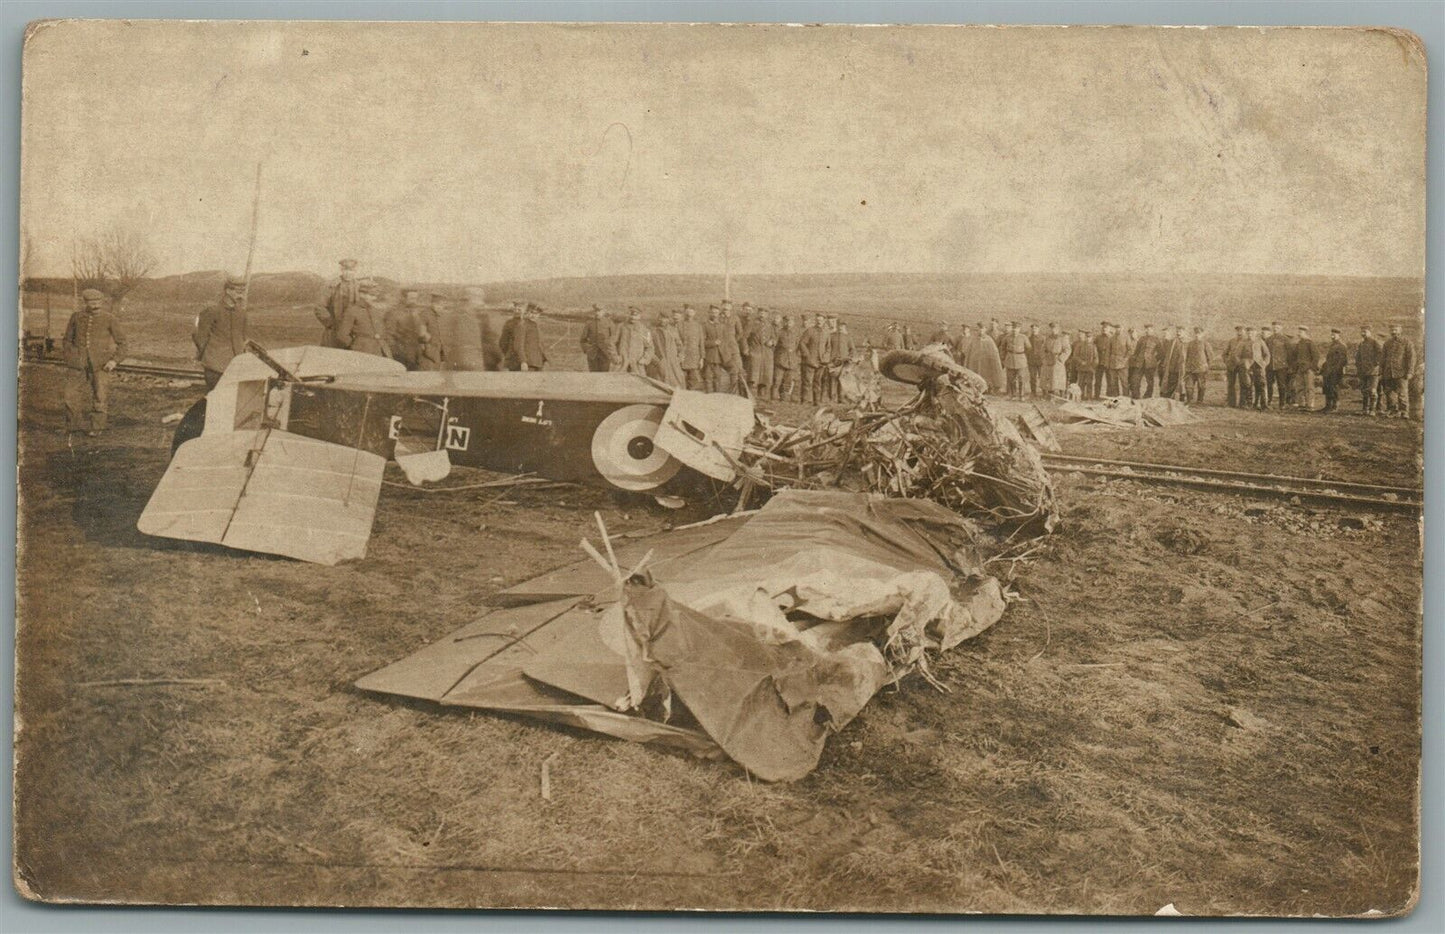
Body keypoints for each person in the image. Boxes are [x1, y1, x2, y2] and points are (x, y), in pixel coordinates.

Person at [61, 288, 128, 434]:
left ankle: (97, 428)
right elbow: (67, 340)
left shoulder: (109, 318)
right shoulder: (76, 317)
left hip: (101, 365)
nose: (95, 304)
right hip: (77, 364)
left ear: (102, 302)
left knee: (100, 395)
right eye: (91, 302)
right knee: (70, 395)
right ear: (85, 302)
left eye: (98, 301)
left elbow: (123, 343)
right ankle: (73, 426)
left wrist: (114, 361)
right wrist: (71, 357)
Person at [193, 274, 248, 388]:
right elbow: (200, 336)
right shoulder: (212, 311)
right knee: (216, 400)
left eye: (242, 292)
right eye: (238, 292)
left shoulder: (241, 313)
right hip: (215, 367)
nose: (241, 295)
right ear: (228, 290)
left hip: (236, 365)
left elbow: (243, 337)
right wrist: (208, 356)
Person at [336, 278, 390, 358]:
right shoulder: (352, 310)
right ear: (362, 294)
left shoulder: (376, 310)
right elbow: (342, 335)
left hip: (381, 350)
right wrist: (355, 346)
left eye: (375, 296)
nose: (374, 298)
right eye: (371, 295)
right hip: (362, 352)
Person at [315, 258, 359, 348]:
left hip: (354, 330)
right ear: (341, 270)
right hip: (334, 328)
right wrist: (330, 323)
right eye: (346, 270)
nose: (348, 272)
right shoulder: (332, 285)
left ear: (355, 271)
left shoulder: (359, 286)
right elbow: (320, 307)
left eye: (351, 270)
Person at [384, 291, 428, 370]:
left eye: (416, 299)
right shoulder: (394, 313)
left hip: (416, 353)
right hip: (401, 353)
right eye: (411, 298)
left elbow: (419, 333)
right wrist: (395, 353)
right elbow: (389, 335)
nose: (414, 301)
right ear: (403, 298)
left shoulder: (417, 313)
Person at [1379, 323, 1416, 418]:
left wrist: (1410, 372)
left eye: (1396, 330)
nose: (1393, 332)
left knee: (1402, 393)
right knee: (1389, 393)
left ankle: (1404, 411)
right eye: (1392, 330)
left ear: (1400, 331)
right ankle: (1392, 410)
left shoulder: (1407, 342)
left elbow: (1411, 358)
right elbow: (1383, 358)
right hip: (1388, 372)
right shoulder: (1387, 343)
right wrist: (1381, 372)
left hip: (1401, 373)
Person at [499, 302, 546, 371]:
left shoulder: (535, 325)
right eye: (531, 313)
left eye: (536, 313)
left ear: (539, 315)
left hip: (536, 363)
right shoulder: (522, 325)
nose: (533, 315)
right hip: (526, 364)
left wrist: (543, 359)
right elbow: (518, 345)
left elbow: (539, 345)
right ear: (526, 313)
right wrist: (523, 361)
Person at [747, 307, 778, 399]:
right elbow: (744, 337)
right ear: (758, 313)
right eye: (761, 312)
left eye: (764, 313)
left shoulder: (770, 325)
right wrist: (747, 350)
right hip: (755, 351)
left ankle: (762, 395)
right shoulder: (752, 324)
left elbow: (775, 338)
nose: (762, 314)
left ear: (767, 315)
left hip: (767, 353)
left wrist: (772, 342)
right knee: (753, 374)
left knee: (766, 375)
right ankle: (751, 395)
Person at [614, 307, 653, 375]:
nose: (633, 317)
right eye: (631, 315)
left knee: (639, 383)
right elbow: (611, 343)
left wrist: (644, 359)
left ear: (639, 316)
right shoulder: (621, 327)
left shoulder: (645, 330)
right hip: (622, 363)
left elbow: (650, 347)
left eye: (636, 315)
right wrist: (615, 356)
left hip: (637, 364)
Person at [415, 293, 447, 371]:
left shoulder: (439, 315)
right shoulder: (425, 314)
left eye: (442, 305)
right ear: (433, 303)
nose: (441, 307)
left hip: (437, 351)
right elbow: (421, 333)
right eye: (439, 304)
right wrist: (427, 339)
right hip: (427, 352)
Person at [1354, 325, 1382, 415]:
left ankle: (1372, 410)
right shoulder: (1361, 344)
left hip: (1373, 371)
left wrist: (1375, 364)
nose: (1363, 334)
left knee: (1372, 391)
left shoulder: (1374, 342)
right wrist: (1358, 366)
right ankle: (1365, 409)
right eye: (1362, 332)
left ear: (1370, 332)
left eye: (1365, 332)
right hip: (1363, 371)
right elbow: (1358, 357)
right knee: (1364, 390)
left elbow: (1380, 354)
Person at [799, 313, 826, 403]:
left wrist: (825, 358)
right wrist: (807, 356)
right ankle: (805, 400)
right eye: (818, 320)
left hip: (821, 362)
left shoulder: (826, 332)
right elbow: (802, 343)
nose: (819, 322)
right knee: (807, 381)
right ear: (815, 321)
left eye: (821, 320)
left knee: (817, 381)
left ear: (824, 321)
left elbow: (828, 347)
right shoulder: (810, 331)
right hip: (810, 361)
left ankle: (816, 401)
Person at [580, 305, 617, 372]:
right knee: (593, 376)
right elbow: (583, 340)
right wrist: (587, 349)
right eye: (595, 311)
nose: (597, 313)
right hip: (592, 354)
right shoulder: (589, 323)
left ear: (604, 311)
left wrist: (611, 351)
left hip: (605, 353)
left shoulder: (609, 323)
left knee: (604, 376)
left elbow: (614, 338)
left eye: (599, 311)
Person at [1319, 329, 1348, 413]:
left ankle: (1335, 406)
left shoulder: (1341, 346)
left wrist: (1336, 369)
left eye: (1334, 335)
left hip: (1335, 371)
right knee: (1327, 387)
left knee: (1334, 388)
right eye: (1331, 334)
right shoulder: (1332, 345)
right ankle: (1328, 406)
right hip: (1328, 370)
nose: (1332, 336)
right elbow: (1329, 359)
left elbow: (1342, 360)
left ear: (1338, 335)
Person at [1129, 324, 1161, 398]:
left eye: (1149, 329)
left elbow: (1161, 353)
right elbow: (1137, 351)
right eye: (1146, 329)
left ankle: (1148, 396)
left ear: (1152, 330)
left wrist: (1153, 359)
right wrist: (1136, 359)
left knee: (1150, 382)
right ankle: (1136, 396)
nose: (1147, 330)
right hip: (1139, 363)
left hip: (1150, 364)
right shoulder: (1142, 339)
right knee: (1135, 380)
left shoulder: (1156, 340)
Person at [678, 304, 706, 390]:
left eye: (691, 311)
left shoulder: (698, 326)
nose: (689, 313)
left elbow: (701, 343)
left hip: (694, 357)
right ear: (684, 312)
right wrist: (679, 355)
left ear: (694, 313)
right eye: (687, 311)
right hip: (683, 357)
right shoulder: (679, 325)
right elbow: (677, 342)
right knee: (681, 380)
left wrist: (702, 358)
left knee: (694, 381)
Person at [1243, 325, 1271, 410]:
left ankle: (1264, 404)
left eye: (1251, 333)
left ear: (1255, 333)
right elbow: (1237, 354)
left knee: (1261, 385)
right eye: (1248, 333)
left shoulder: (1260, 342)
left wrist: (1264, 363)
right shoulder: (1243, 342)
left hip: (1259, 366)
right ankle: (1249, 404)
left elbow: (1267, 354)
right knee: (1248, 385)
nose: (1250, 334)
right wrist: (1243, 363)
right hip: (1248, 366)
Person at [1001, 321, 1030, 401]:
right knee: (1011, 378)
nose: (1015, 330)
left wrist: (1023, 356)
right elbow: (1002, 348)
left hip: (1020, 360)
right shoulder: (1007, 337)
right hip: (1010, 359)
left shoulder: (1023, 337)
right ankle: (1012, 394)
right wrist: (1003, 358)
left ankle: (1021, 395)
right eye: (1013, 328)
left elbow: (1029, 348)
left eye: (1016, 328)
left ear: (1019, 329)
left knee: (1021, 378)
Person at [1265, 323, 1292, 408]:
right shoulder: (1269, 339)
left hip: (1281, 366)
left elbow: (1290, 353)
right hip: (1270, 366)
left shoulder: (1285, 339)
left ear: (1281, 328)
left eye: (1277, 327)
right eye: (1274, 327)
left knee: (1281, 385)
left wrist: (1290, 366)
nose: (1275, 329)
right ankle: (1268, 402)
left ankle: (1282, 403)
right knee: (1269, 384)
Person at [772, 314, 799, 402]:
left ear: (794, 323)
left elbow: (798, 345)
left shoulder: (796, 333)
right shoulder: (780, 332)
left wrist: (797, 357)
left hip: (792, 360)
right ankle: (774, 397)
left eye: (790, 321)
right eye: (786, 321)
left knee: (788, 380)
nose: (788, 323)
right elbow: (774, 344)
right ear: (784, 322)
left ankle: (785, 397)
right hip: (780, 359)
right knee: (777, 379)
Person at [1184, 326, 1213, 404]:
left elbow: (1210, 357)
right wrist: (1187, 366)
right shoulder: (1190, 344)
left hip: (1201, 369)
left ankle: (1200, 401)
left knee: (1201, 386)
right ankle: (1189, 400)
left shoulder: (1205, 344)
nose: (1197, 335)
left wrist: (1207, 367)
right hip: (1190, 369)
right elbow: (1186, 356)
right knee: (1188, 386)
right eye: (1196, 333)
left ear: (1202, 334)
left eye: (1199, 333)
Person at [1292, 325, 1318, 411]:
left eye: (1300, 332)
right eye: (1298, 332)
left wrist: (1311, 368)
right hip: (1300, 368)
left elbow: (1316, 357)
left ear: (1305, 333)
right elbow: (1295, 356)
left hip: (1308, 369)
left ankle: (1310, 405)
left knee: (1309, 387)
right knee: (1300, 387)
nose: (1298, 334)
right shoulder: (1299, 343)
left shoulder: (1310, 343)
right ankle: (1302, 404)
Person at [703, 306, 727, 392]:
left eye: (716, 313)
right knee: (708, 378)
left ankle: (717, 397)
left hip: (719, 357)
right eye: (712, 313)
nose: (714, 315)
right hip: (708, 356)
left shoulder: (721, 326)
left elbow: (725, 340)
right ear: (709, 313)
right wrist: (713, 343)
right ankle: (709, 397)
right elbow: (702, 341)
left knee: (718, 378)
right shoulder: (704, 325)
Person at [1159, 325, 1186, 400]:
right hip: (1172, 368)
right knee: (1170, 384)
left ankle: (1181, 401)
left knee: (1182, 385)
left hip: (1182, 368)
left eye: (1180, 331)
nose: (1178, 333)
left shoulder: (1186, 343)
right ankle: (1168, 400)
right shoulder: (1172, 342)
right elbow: (1167, 354)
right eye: (1177, 331)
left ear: (1184, 332)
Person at [1043, 322, 1070, 397]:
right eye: (1052, 328)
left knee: (1059, 377)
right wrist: (1045, 357)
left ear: (1058, 329)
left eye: (1055, 328)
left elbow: (1067, 350)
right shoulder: (1048, 338)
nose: (1053, 330)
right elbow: (1043, 348)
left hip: (1058, 360)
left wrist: (1061, 358)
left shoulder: (1062, 338)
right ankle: (1051, 393)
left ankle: (1061, 393)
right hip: (1049, 359)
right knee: (1050, 377)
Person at [1223, 325, 1247, 407]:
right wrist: (1227, 361)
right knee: (1231, 384)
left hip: (1242, 366)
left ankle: (1243, 403)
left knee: (1243, 384)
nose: (1239, 333)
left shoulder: (1247, 341)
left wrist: (1245, 363)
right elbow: (1225, 353)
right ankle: (1231, 403)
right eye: (1238, 331)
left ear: (1244, 332)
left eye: (1241, 331)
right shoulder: (1232, 341)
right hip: (1231, 365)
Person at [1072, 327, 1099, 400]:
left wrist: (1093, 366)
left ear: (1092, 338)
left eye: (1089, 337)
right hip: (1081, 368)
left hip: (1090, 368)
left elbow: (1096, 358)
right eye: (1087, 337)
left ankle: (1089, 397)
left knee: (1089, 383)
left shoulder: (1094, 347)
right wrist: (1081, 362)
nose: (1088, 339)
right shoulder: (1079, 345)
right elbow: (1075, 356)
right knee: (1081, 383)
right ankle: (1081, 396)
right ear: (1085, 337)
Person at [1106, 323, 1131, 398]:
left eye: (1119, 328)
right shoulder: (1111, 338)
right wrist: (1108, 363)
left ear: (1122, 328)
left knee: (1124, 382)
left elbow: (1130, 350)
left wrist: (1125, 359)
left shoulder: (1126, 337)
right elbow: (1108, 351)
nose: (1118, 330)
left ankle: (1126, 399)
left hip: (1123, 364)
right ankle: (1115, 399)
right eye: (1116, 328)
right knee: (1113, 382)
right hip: (1113, 363)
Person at [1024, 323, 1045, 397]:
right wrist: (1027, 358)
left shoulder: (1042, 338)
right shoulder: (1028, 338)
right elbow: (1026, 350)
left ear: (1038, 329)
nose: (1034, 330)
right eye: (1033, 329)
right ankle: (1033, 392)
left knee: (1042, 376)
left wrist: (1043, 358)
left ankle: (1044, 392)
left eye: (1035, 328)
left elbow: (1045, 349)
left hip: (1040, 361)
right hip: (1031, 361)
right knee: (1032, 377)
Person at [1092, 322, 1112, 399]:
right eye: (1103, 328)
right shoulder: (1098, 338)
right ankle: (1096, 396)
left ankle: (1109, 396)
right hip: (1099, 362)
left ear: (1109, 329)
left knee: (1110, 380)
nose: (1104, 329)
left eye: (1106, 328)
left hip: (1108, 362)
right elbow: (1093, 347)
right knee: (1098, 380)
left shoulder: (1111, 338)